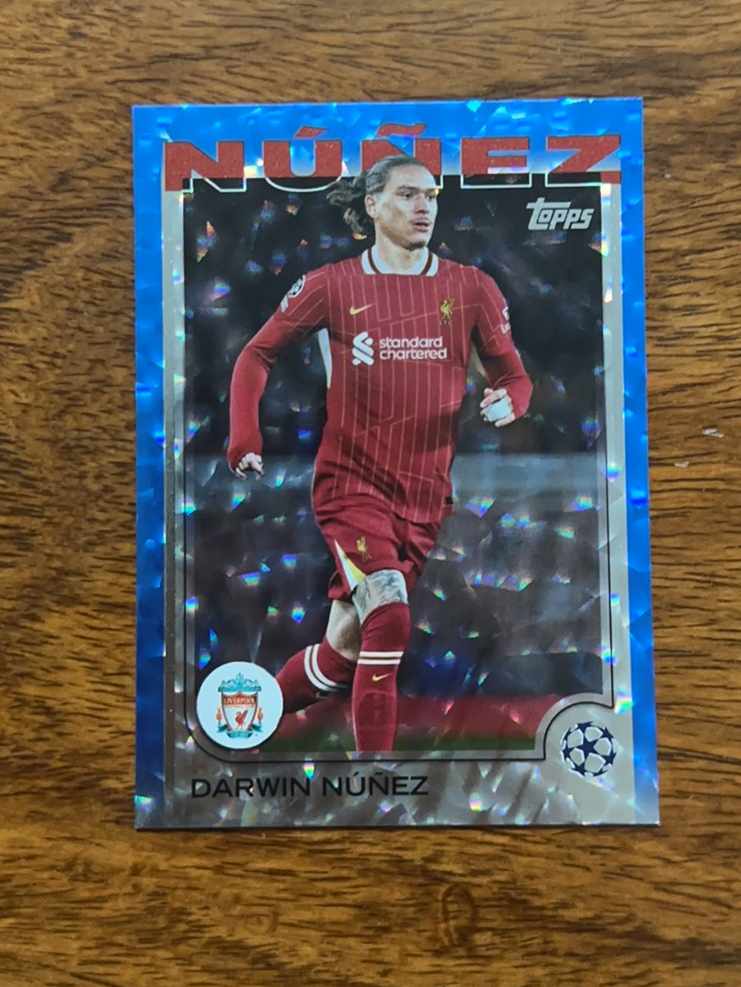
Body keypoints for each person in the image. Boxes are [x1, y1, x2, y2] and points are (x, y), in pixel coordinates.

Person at [227, 154, 532, 752]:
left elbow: (514, 377)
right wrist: (244, 437)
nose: (424, 207)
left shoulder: (471, 287)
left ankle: (244, 724)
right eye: (408, 195)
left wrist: (511, 402)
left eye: (432, 196)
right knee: (389, 616)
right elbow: (256, 354)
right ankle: (376, 775)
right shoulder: (332, 285)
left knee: (344, 648)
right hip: (352, 487)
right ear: (371, 206)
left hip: (424, 497)